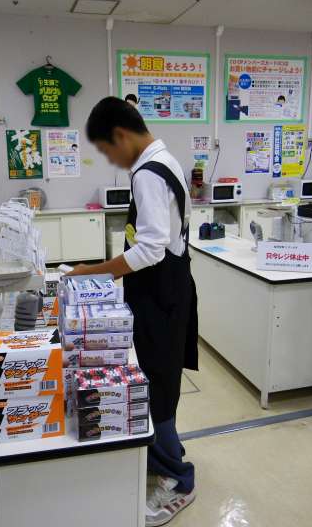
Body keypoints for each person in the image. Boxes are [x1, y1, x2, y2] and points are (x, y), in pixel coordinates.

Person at [67, 96, 198, 526]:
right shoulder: (167, 161)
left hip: (160, 297)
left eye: (108, 151)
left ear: (121, 135)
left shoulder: (146, 174)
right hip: (170, 290)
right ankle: (166, 452)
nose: (112, 160)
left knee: (155, 387)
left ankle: (179, 479)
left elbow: (148, 250)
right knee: (161, 382)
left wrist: (92, 272)